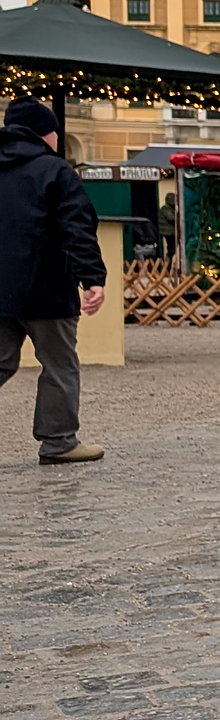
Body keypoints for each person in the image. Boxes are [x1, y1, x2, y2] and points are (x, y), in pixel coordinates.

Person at [0, 97, 110, 466]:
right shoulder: (55, 171)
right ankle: (58, 441)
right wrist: (91, 278)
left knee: (0, 361)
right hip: (47, 288)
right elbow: (76, 229)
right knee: (59, 363)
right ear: (46, 133)